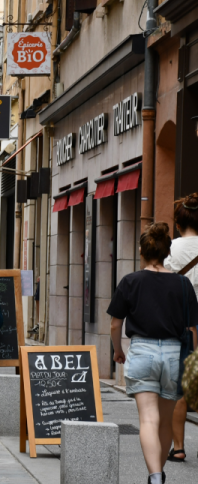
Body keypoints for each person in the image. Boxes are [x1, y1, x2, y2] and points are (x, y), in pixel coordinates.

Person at [110, 222, 198, 484]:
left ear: (142, 251)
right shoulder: (183, 284)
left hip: (142, 351)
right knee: (165, 420)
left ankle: (155, 476)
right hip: (173, 354)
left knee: (148, 418)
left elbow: (115, 324)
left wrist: (117, 350)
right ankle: (157, 473)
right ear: (166, 252)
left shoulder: (130, 281)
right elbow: (193, 327)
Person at [164, 193, 198, 463]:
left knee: (179, 388)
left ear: (177, 223)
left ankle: (178, 446)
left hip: (181, 325)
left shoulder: (170, 249)